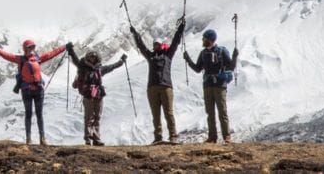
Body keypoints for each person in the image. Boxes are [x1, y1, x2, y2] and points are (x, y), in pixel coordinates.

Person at [0, 39, 66, 145]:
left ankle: (42, 139)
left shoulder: (37, 58)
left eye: (33, 47)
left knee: (39, 115)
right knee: (29, 114)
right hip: (28, 91)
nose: (32, 49)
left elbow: (51, 54)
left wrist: (64, 47)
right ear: (25, 48)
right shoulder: (20, 59)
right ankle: (29, 139)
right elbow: (5, 55)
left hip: (37, 90)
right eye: (29, 47)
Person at [130, 16, 186, 144]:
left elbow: (176, 42)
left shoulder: (168, 55)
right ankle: (158, 137)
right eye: (155, 44)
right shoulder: (150, 56)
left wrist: (181, 28)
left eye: (158, 44)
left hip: (166, 86)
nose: (156, 46)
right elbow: (141, 46)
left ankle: (173, 135)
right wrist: (135, 34)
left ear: (161, 45)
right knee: (156, 114)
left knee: (168, 112)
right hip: (153, 87)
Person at [66, 42, 127, 146]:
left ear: (97, 59)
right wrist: (70, 50)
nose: (92, 59)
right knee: (89, 117)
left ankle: (96, 138)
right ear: (87, 58)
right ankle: (88, 138)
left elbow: (112, 66)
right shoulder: (82, 68)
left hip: (98, 95)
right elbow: (75, 59)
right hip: (88, 95)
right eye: (91, 58)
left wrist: (121, 61)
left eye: (94, 58)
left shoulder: (100, 69)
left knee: (97, 117)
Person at [184, 28, 239, 143]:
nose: (202, 40)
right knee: (210, 112)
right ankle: (213, 137)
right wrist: (188, 60)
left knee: (221, 111)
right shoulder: (204, 53)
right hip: (210, 85)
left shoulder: (220, 51)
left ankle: (226, 136)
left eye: (204, 38)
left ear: (210, 39)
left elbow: (230, 67)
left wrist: (234, 57)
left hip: (218, 85)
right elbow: (198, 69)